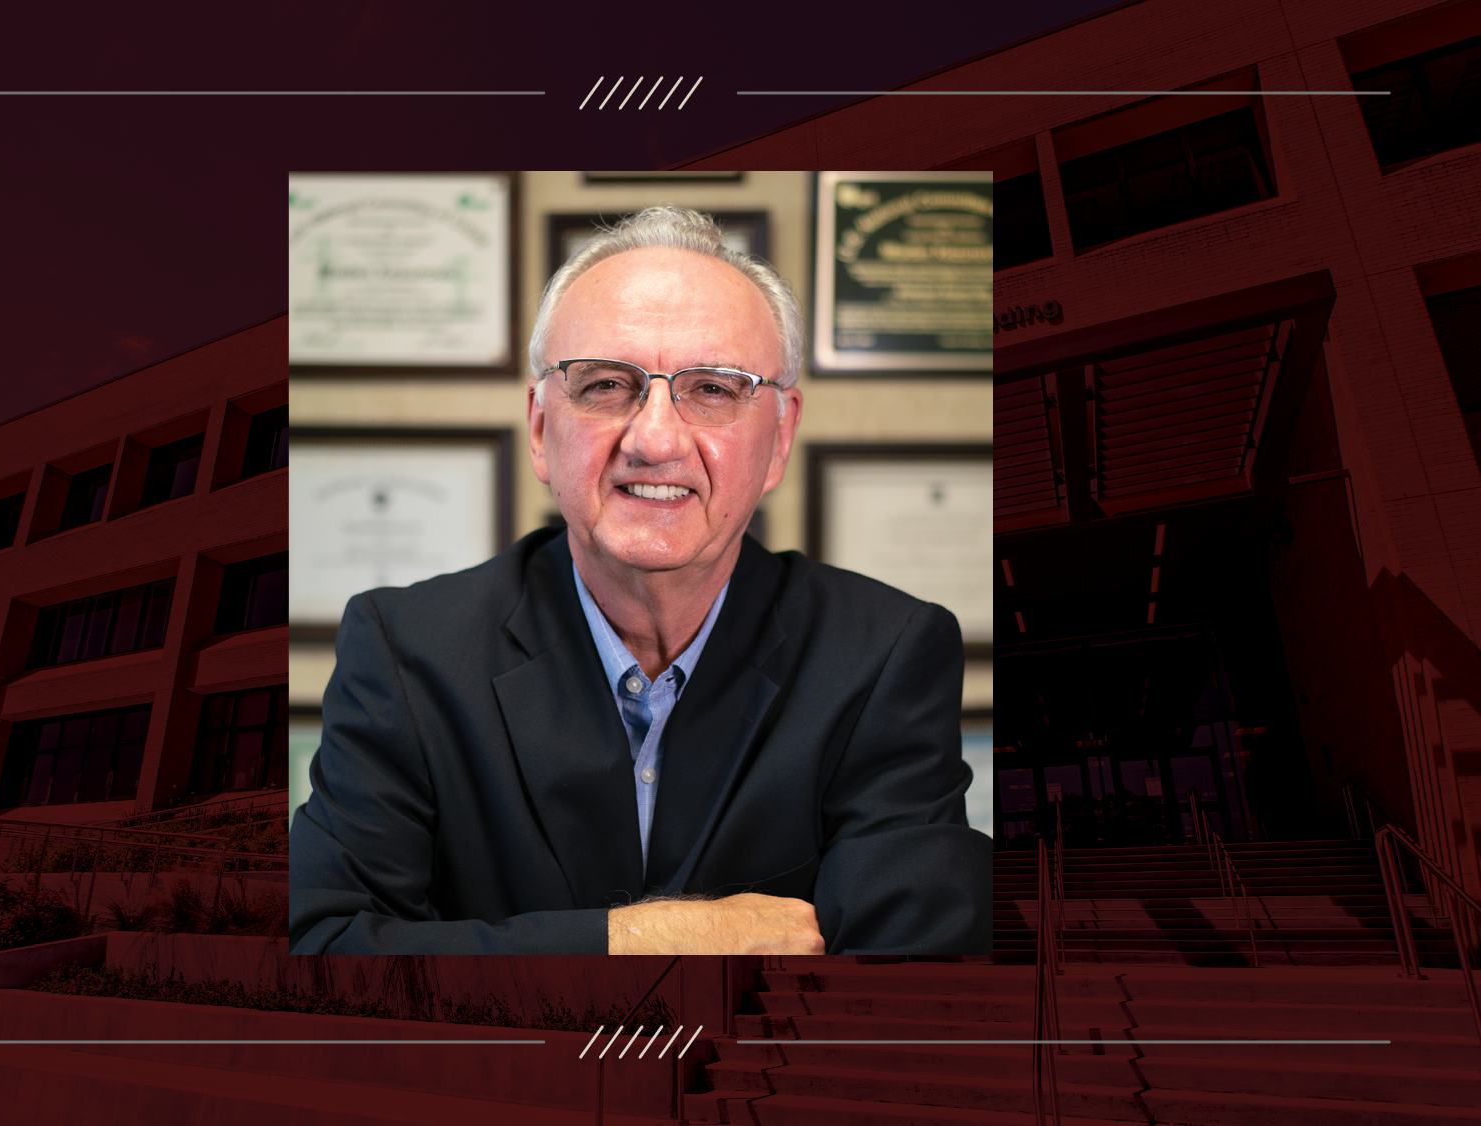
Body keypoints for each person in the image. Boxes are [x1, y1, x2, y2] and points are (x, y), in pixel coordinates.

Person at [289, 206, 989, 955]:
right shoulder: (404, 652)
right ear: (539, 428)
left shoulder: (888, 653)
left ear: (780, 436)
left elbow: (912, 961)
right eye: (604, 386)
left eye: (715, 389)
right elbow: (325, 945)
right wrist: (650, 938)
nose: (654, 439)